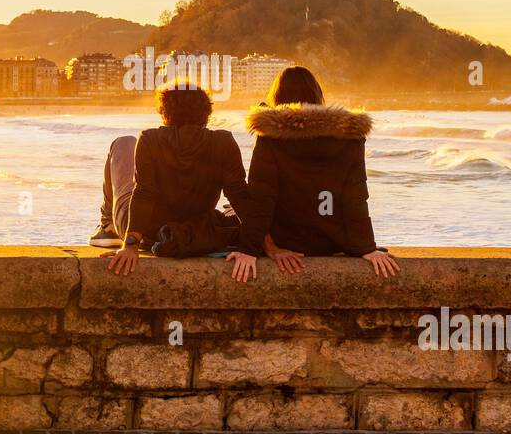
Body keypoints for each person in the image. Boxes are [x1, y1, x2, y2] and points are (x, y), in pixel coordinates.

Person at [236, 66, 399, 281]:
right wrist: (366, 247)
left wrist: (250, 249)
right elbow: (355, 196)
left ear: (277, 96)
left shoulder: (271, 136)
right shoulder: (349, 137)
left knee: (231, 212)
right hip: (332, 241)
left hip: (287, 242)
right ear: (317, 95)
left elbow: (262, 196)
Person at [94, 82, 257, 278]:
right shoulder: (224, 141)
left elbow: (144, 193)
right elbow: (239, 195)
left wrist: (130, 246)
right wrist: (261, 245)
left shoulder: (149, 138)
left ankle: (107, 226)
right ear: (207, 112)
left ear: (164, 110)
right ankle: (108, 226)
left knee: (124, 142)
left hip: (147, 234)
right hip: (191, 230)